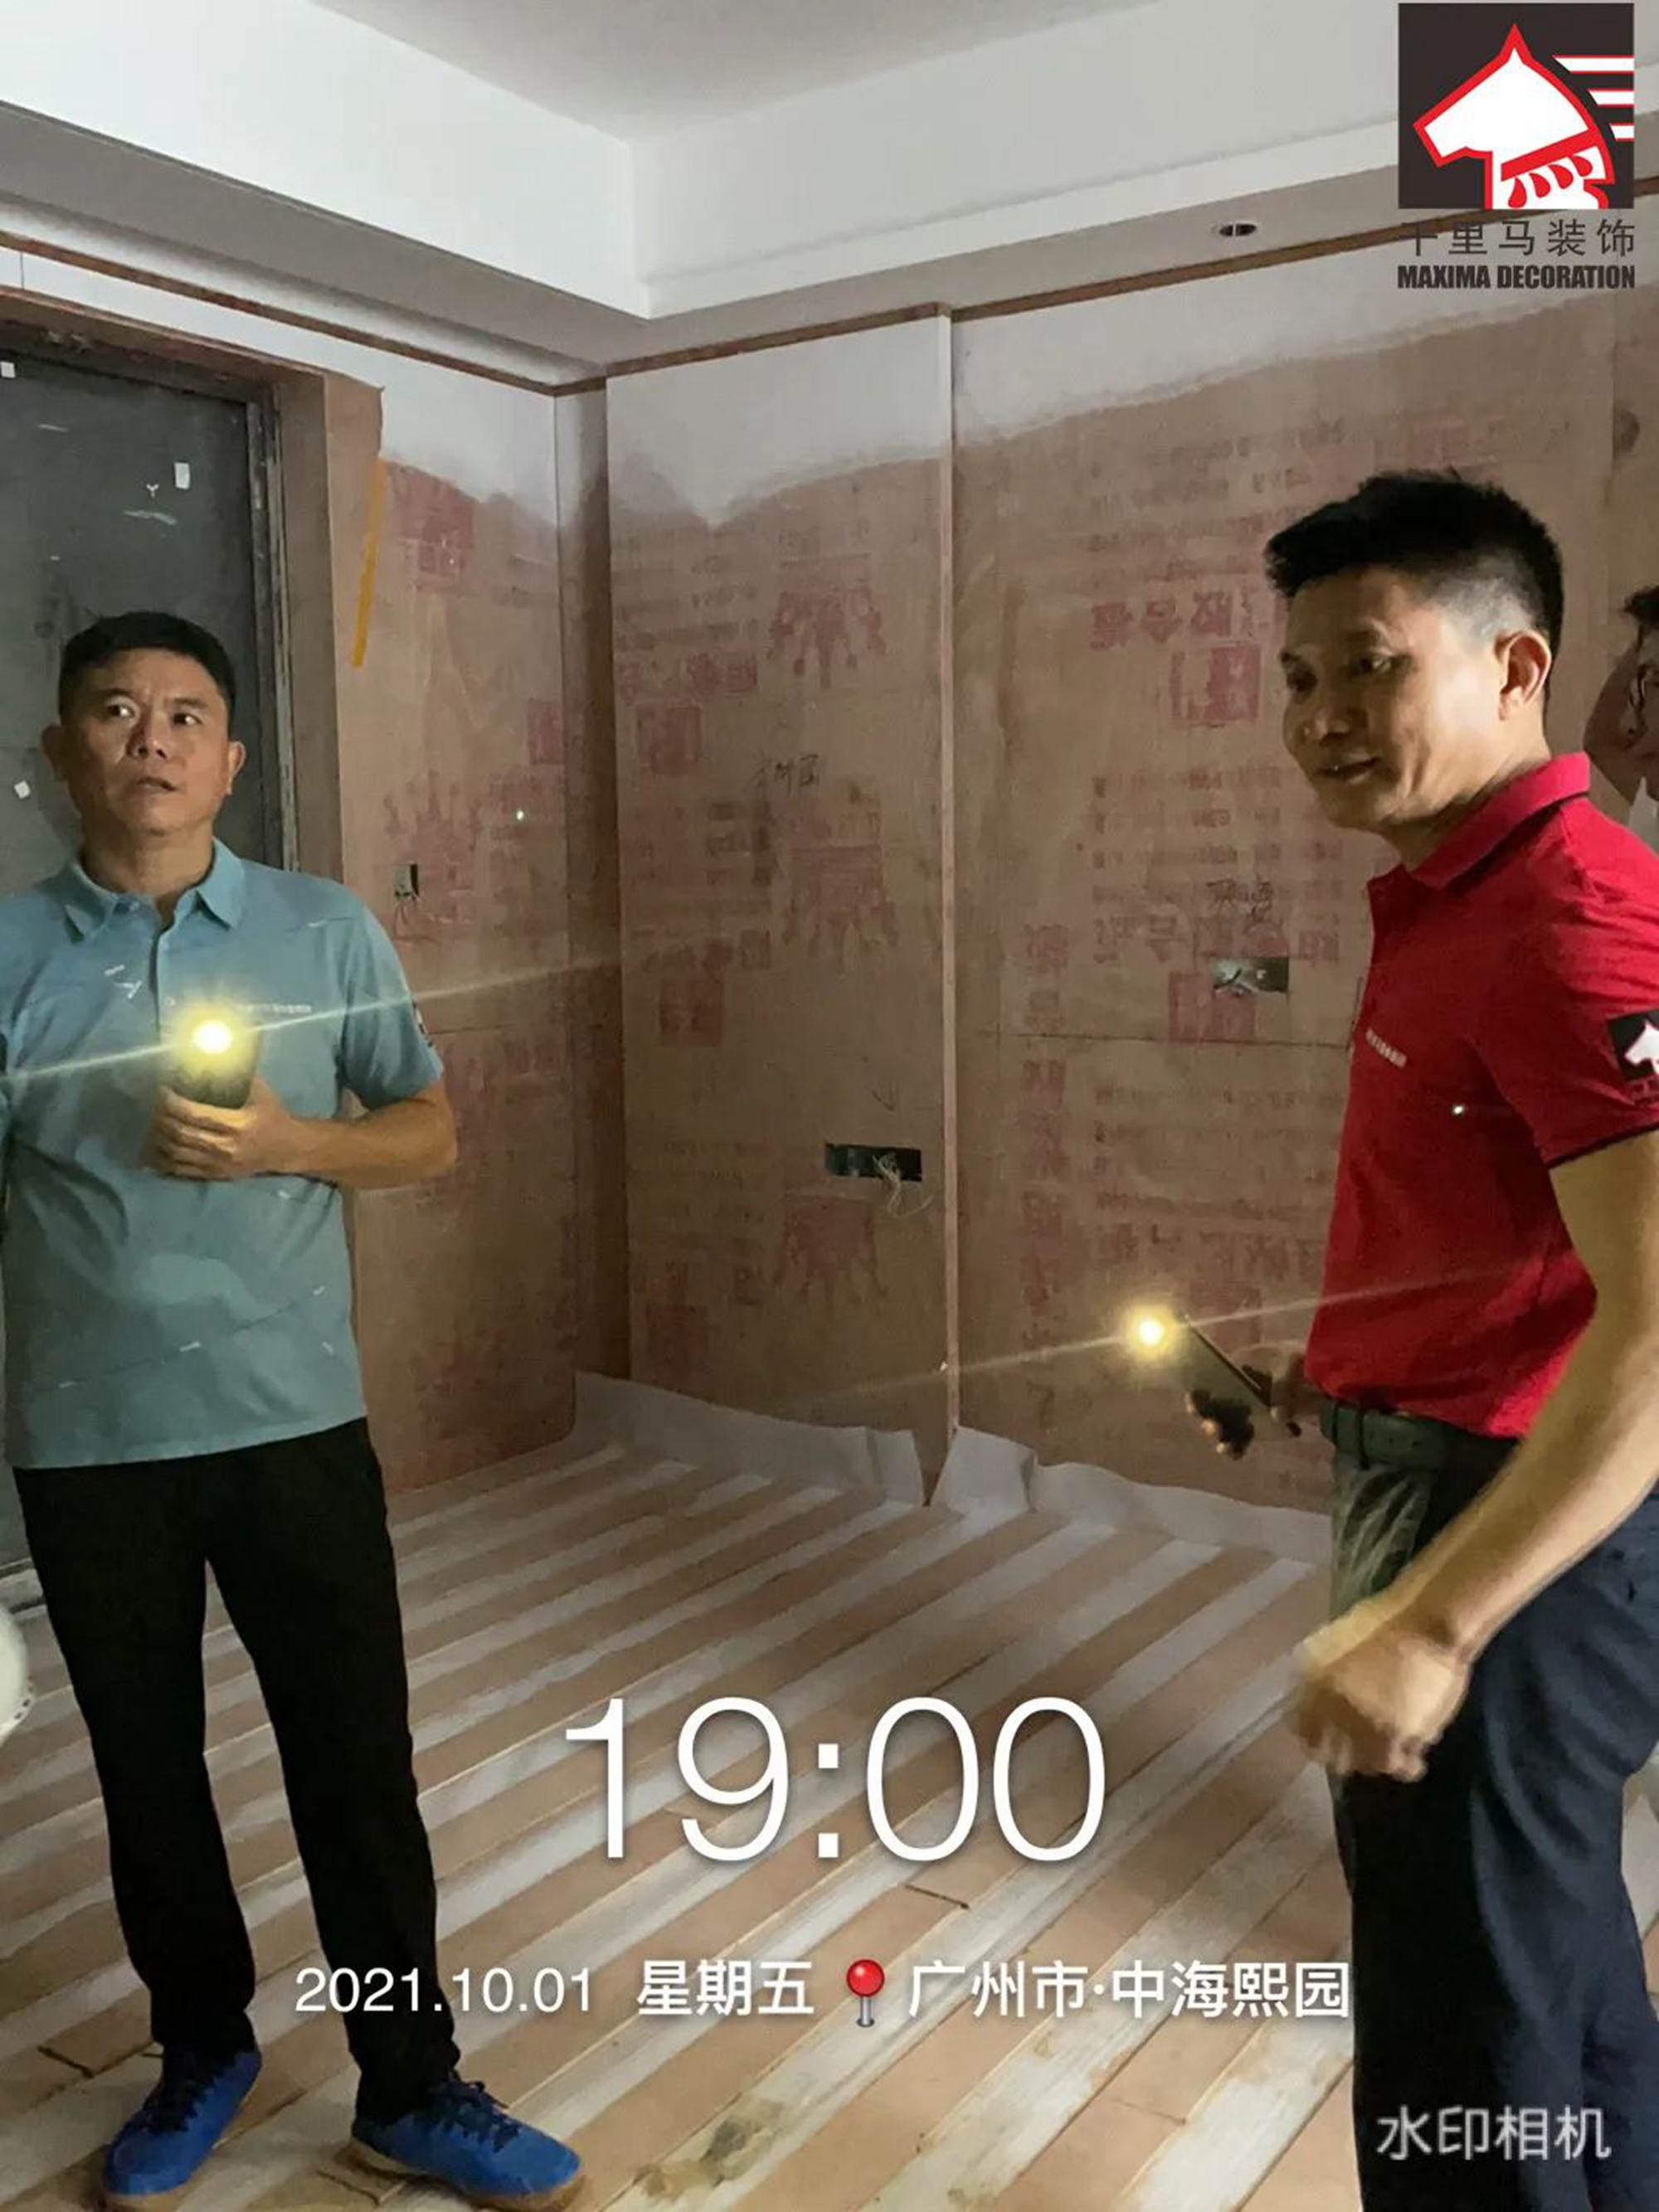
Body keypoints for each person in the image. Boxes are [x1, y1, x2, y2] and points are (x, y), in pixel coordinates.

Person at [0, 614, 583, 2210]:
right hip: (87, 1439)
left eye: (186, 714)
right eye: (115, 711)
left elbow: (427, 1129)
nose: (152, 738)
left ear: (231, 758)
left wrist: (284, 1143)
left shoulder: (323, 932)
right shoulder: (9, 952)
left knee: (353, 1764)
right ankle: (202, 2050)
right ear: (60, 751)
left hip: (292, 1421)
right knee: (147, 1772)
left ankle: (410, 2082)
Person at [1184, 475, 1659, 2211]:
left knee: (1467, 2036)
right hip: (1455, 1470)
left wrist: (1436, 1621)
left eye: (1371, 667)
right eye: (1299, 676)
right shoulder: (1461, 895)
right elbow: (1517, 1245)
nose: (1321, 717)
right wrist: (1333, 1377)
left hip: (1511, 1533)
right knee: (1552, 1982)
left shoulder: (1567, 916)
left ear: (1515, 664)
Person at [1584, 586, 1659, 846]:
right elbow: (1600, 741)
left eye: (1657, 681)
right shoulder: (1652, 806)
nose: (1640, 706)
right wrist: (1645, 639)